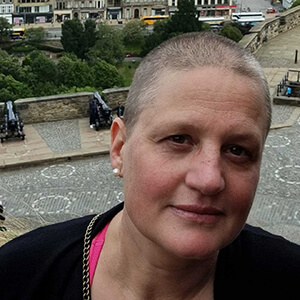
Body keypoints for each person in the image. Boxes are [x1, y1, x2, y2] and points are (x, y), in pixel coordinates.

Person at [0, 32, 299, 300]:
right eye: (179, 139)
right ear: (119, 148)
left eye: (237, 150)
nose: (209, 179)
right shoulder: (19, 275)